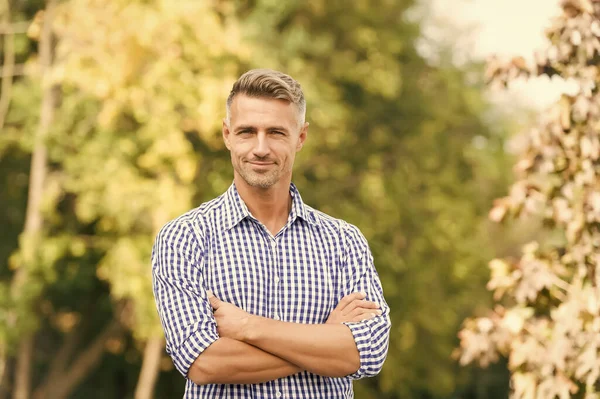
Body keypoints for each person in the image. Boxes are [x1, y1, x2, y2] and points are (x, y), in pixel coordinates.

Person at [151, 69, 391, 398]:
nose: (260, 148)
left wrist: (248, 328)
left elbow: (370, 350)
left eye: (276, 132)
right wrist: (325, 338)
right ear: (227, 135)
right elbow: (203, 362)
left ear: (301, 137)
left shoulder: (344, 242)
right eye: (247, 132)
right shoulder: (184, 238)